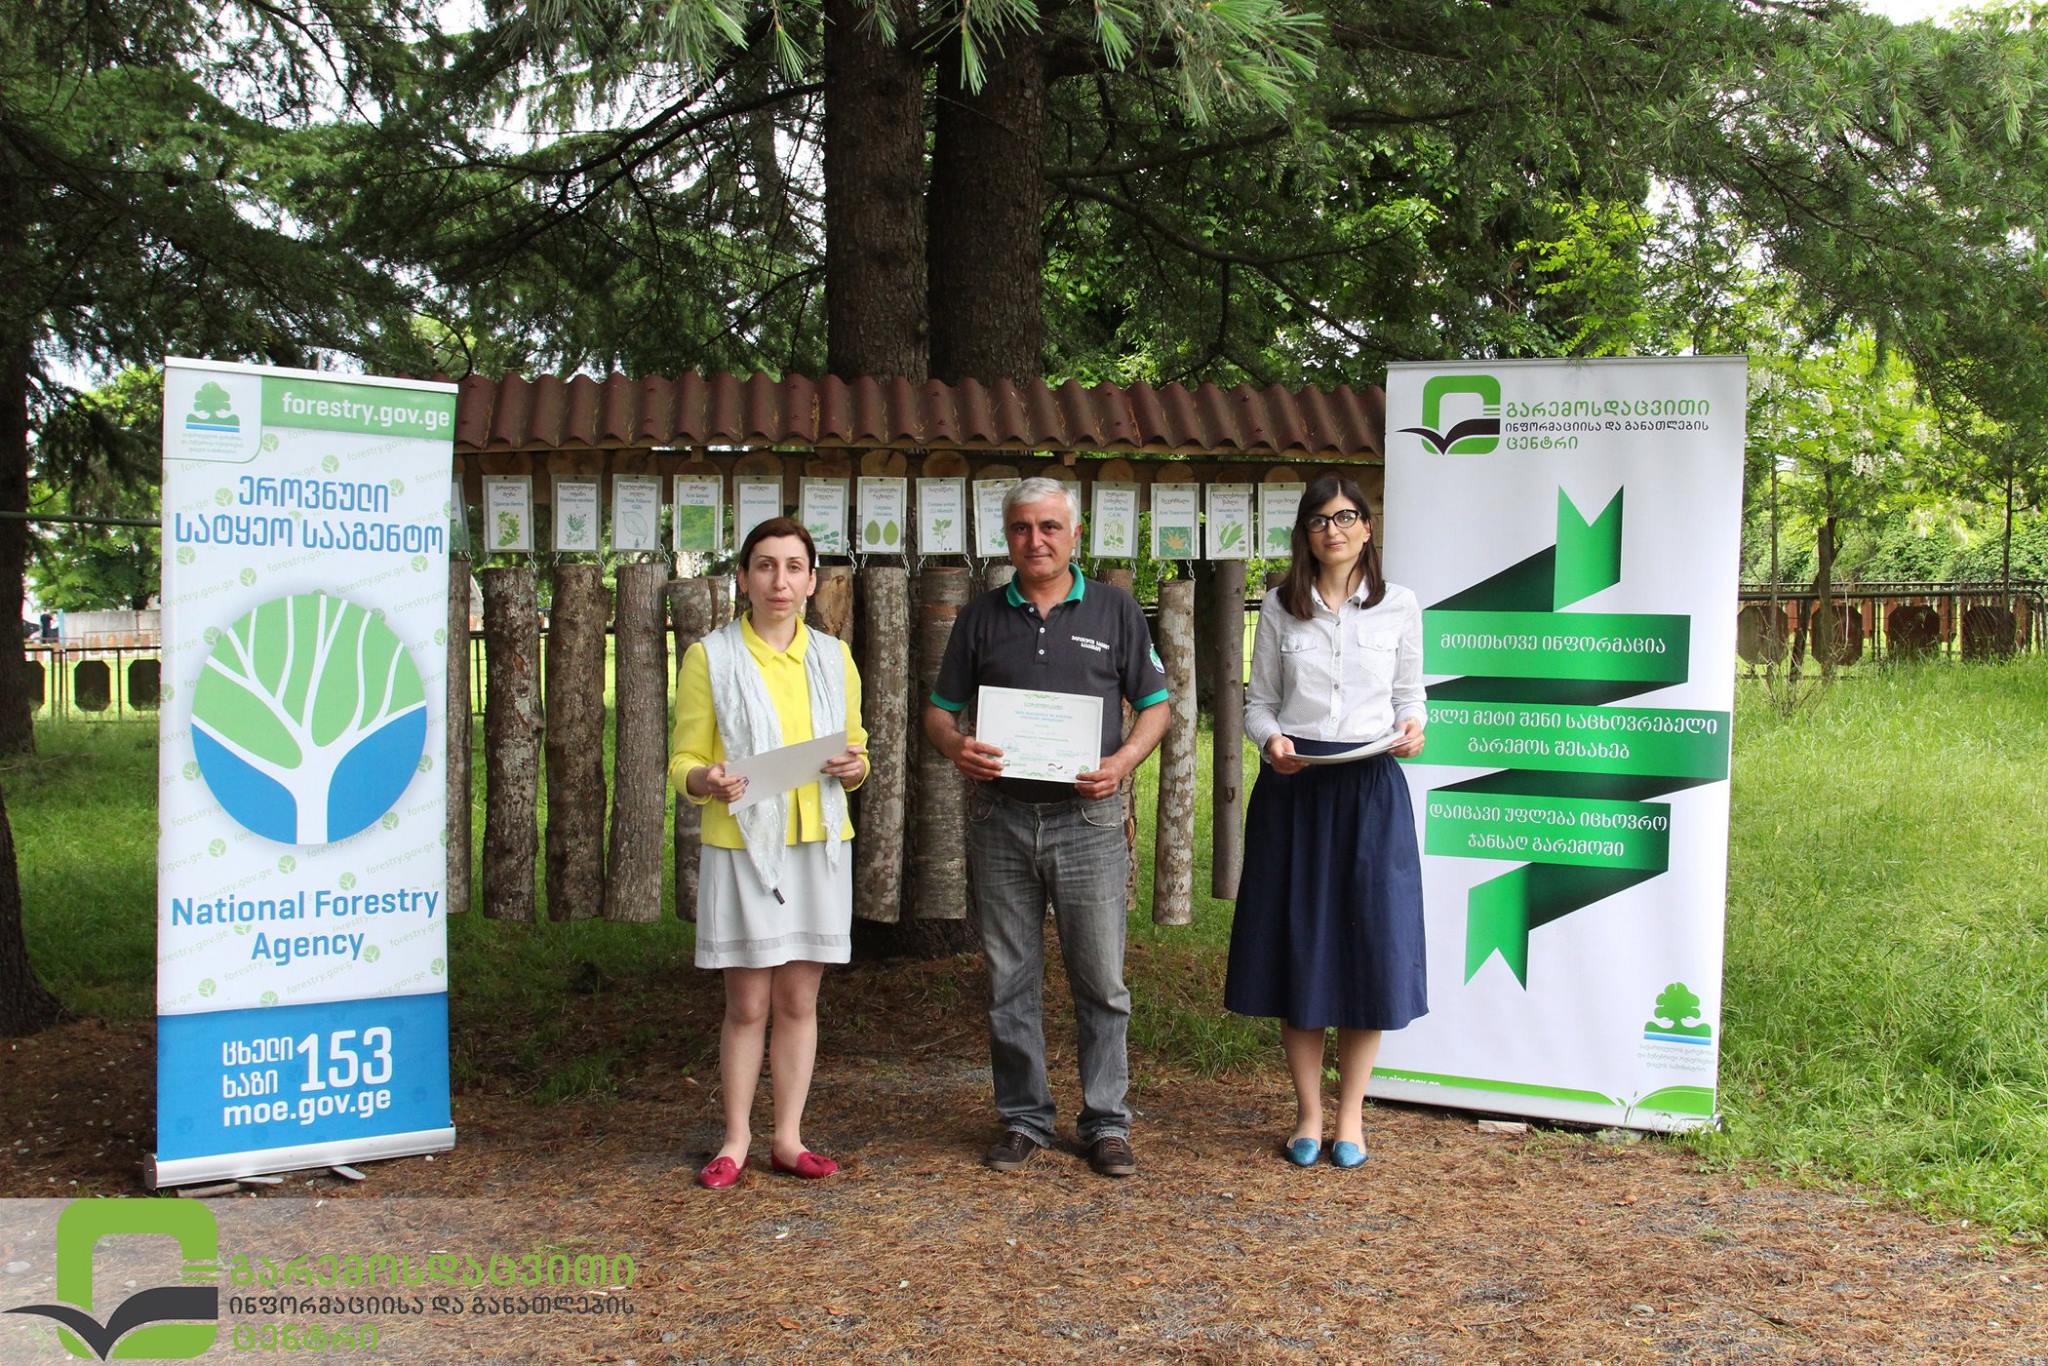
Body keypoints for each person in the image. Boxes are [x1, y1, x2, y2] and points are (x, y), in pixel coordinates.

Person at [922, 477, 1170, 1178]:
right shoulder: (979, 618)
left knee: (1102, 982)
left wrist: (1121, 763)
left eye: (1050, 527)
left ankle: (1107, 1122)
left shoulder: (1117, 610)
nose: (1036, 540)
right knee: (1009, 980)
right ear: (1007, 536)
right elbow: (939, 713)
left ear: (1075, 534)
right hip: (1000, 819)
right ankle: (1024, 1118)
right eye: (1022, 528)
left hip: (1087, 820)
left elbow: (1156, 706)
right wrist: (956, 747)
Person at [1224, 473, 1427, 1170]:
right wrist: (1271, 742)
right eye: (1318, 520)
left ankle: (1351, 1118)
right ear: (1305, 535)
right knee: (1301, 948)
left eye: (1344, 518)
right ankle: (1308, 1114)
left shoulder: (1400, 605)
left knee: (1370, 949)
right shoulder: (1281, 608)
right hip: (1297, 790)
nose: (1332, 531)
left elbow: (1410, 695)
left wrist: (1414, 727)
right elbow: (1258, 703)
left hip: (1371, 789)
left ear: (1367, 528)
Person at [669, 516, 870, 1190]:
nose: (779, 581)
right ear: (743, 578)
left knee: (798, 1000)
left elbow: (857, 748)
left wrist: (855, 768)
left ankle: (788, 1138)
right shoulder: (712, 658)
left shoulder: (834, 658)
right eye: (764, 565)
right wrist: (707, 780)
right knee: (749, 1003)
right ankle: (735, 1140)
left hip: (817, 844)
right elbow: (684, 760)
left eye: (792, 567)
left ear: (812, 582)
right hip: (745, 848)